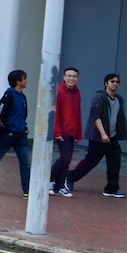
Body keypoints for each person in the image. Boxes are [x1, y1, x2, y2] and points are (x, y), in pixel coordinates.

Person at [66, 73, 127, 197]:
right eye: (112, 81)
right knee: (90, 162)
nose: (115, 84)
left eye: (117, 82)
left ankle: (111, 189)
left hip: (112, 137)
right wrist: (103, 134)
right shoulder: (99, 98)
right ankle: (70, 178)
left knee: (115, 163)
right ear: (106, 83)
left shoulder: (119, 99)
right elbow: (96, 117)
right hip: (98, 138)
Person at [48, 67, 83, 196]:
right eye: (69, 76)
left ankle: (59, 186)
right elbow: (55, 114)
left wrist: (79, 133)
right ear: (64, 77)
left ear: (77, 78)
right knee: (65, 158)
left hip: (72, 132)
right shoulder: (59, 92)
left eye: (74, 76)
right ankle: (48, 179)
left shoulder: (77, 92)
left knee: (67, 160)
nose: (71, 79)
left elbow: (77, 113)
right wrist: (57, 132)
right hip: (61, 132)